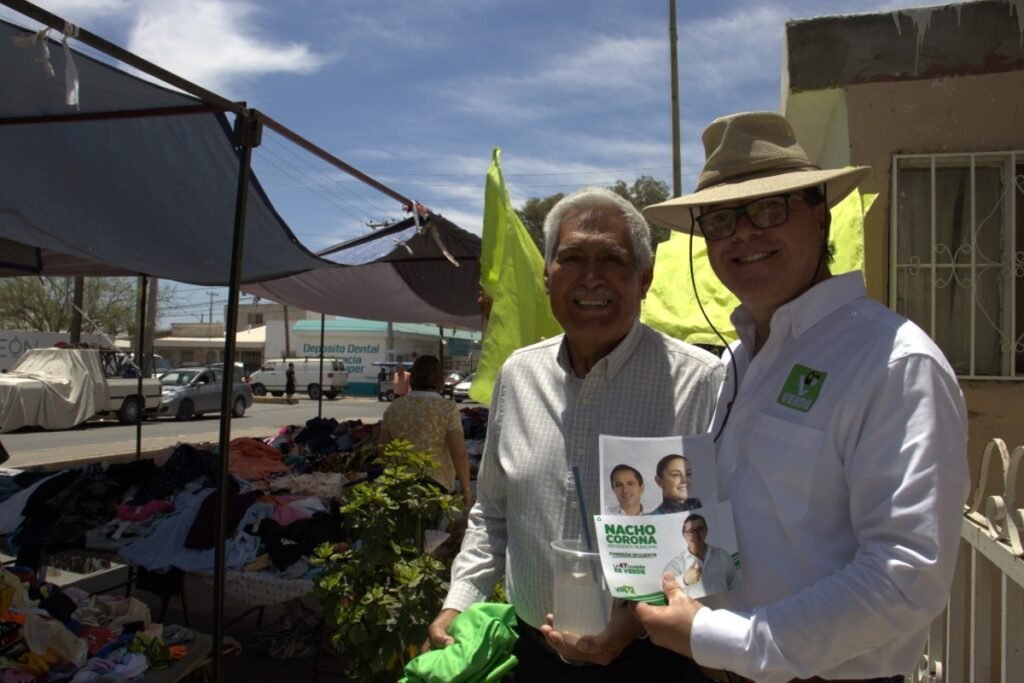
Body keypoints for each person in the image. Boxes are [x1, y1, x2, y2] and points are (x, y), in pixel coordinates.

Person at [635, 111, 969, 682]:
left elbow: (906, 575)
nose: (744, 233)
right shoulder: (737, 362)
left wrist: (723, 640)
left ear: (821, 217)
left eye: (769, 208)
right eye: (720, 219)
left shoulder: (893, 361)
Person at [425, 187, 724, 679]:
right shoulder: (518, 376)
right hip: (531, 654)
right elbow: (493, 514)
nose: (591, 277)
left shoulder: (699, 382)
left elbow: (711, 538)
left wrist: (637, 622)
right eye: (572, 258)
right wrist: (459, 601)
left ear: (644, 278)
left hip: (654, 659)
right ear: (547, 276)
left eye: (612, 258)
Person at [379, 355, 473, 509]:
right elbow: (459, 453)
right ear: (439, 379)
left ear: (413, 377)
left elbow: (383, 450)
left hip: (400, 485)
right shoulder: (447, 408)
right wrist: (466, 489)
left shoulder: (394, 407)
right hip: (437, 487)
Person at [662, 514, 738, 600]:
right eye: (690, 531)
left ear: (706, 530)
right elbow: (665, 589)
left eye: (700, 529)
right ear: (684, 535)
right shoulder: (677, 564)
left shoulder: (722, 555)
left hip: (723, 607)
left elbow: (734, 584)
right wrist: (684, 580)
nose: (695, 534)